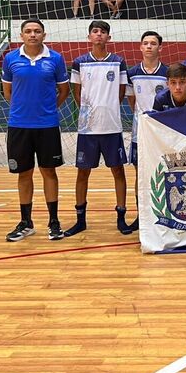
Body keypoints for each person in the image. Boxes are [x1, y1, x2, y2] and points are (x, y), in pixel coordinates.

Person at [2, 19, 70, 242]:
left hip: (47, 125)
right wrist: (24, 111)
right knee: (24, 173)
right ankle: (26, 222)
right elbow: (8, 92)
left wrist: (47, 110)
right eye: (28, 31)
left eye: (37, 31)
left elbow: (63, 90)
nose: (33, 35)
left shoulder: (56, 59)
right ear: (21, 35)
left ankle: (54, 221)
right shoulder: (11, 59)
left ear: (44, 35)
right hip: (19, 125)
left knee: (49, 172)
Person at [64, 21, 130, 237]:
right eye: (95, 31)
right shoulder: (79, 62)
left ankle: (121, 217)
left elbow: (121, 93)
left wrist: (108, 108)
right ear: (89, 36)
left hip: (112, 126)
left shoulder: (119, 61)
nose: (99, 35)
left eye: (103, 32)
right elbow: (77, 92)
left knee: (118, 171)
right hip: (87, 128)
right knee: (83, 173)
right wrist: (88, 112)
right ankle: (80, 219)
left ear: (108, 37)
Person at [125, 31, 168, 231]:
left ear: (160, 47)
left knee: (165, 172)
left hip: (162, 133)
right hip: (139, 132)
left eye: (153, 43)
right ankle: (141, 215)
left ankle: (164, 212)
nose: (149, 46)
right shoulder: (132, 72)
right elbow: (132, 101)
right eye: (146, 43)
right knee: (140, 174)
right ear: (140, 47)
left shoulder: (168, 73)